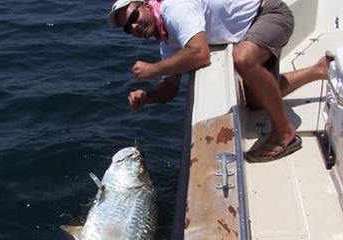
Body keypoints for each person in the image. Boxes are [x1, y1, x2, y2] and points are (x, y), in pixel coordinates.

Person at [106, 0, 333, 162]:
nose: (134, 26)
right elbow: (170, 89)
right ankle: (318, 70)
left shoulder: (174, 8)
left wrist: (154, 69)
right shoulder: (167, 41)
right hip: (251, 31)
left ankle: (285, 133)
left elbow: (200, 54)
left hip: (270, 15)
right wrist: (147, 98)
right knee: (256, 100)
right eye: (128, 29)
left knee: (242, 58)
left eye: (134, 17)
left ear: (145, 4)